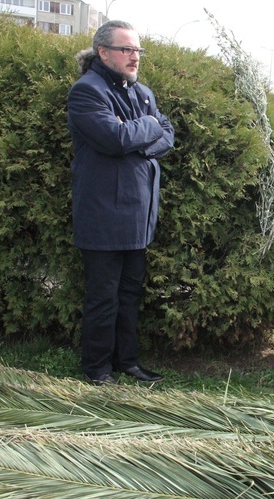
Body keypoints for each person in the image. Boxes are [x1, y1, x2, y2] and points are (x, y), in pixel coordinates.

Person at [67, 20, 174, 386]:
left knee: (130, 294)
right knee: (103, 297)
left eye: (137, 50)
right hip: (103, 214)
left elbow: (167, 134)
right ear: (103, 52)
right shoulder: (87, 91)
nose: (135, 56)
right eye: (126, 49)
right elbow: (113, 138)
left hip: (138, 215)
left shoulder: (142, 92)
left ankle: (127, 361)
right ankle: (97, 369)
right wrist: (147, 128)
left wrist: (139, 133)